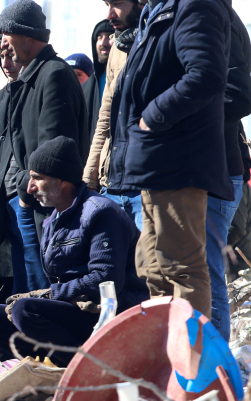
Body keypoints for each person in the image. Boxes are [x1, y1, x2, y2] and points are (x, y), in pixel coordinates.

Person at [107, 0, 231, 319]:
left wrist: (152, 117)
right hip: (155, 164)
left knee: (181, 268)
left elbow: (206, 74)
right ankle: (166, 362)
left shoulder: (195, 6)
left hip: (177, 163)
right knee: (153, 269)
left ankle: (192, 364)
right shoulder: (159, 10)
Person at [0, 137, 148, 364]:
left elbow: (106, 279)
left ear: (62, 180)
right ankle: (52, 366)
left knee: (24, 311)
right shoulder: (52, 220)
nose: (29, 187)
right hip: (74, 311)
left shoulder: (101, 212)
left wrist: (48, 295)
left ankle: (86, 367)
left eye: (37, 178)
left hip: (106, 313)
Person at [0, 0, 89, 301]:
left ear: (25, 35)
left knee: (37, 302)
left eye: (6, 37)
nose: (4, 47)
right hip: (3, 210)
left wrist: (25, 191)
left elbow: (56, 150)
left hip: (32, 208)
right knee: (8, 307)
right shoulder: (14, 88)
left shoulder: (54, 75)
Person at [206, 6, 251, 341]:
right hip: (212, 167)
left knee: (204, 271)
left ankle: (214, 364)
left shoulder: (214, 15)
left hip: (217, 167)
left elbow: (241, 94)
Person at [83, 0, 145, 229]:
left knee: (148, 264)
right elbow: (105, 120)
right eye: (107, 4)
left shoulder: (159, 38)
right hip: (111, 183)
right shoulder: (118, 50)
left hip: (146, 186)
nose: (109, 14)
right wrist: (89, 178)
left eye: (117, 3)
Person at [82, 21, 115, 135]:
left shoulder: (128, 78)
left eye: (110, 36)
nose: (103, 43)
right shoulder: (87, 88)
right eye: (99, 37)